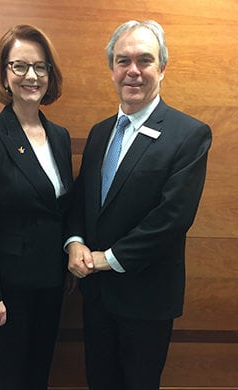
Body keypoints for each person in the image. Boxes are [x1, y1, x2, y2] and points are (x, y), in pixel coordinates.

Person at [66, 20, 212, 390]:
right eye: (123, 60)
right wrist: (76, 242)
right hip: (96, 297)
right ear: (111, 69)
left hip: (147, 300)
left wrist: (105, 259)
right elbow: (82, 199)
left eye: (144, 60)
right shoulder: (100, 133)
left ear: (162, 67)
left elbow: (172, 219)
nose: (133, 71)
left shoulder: (189, 135)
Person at [0, 24, 73, 390]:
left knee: (38, 377)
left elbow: (61, 208)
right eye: (19, 66)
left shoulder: (59, 136)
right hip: (5, 294)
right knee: (9, 380)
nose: (31, 76)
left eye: (41, 67)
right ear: (4, 74)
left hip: (50, 286)